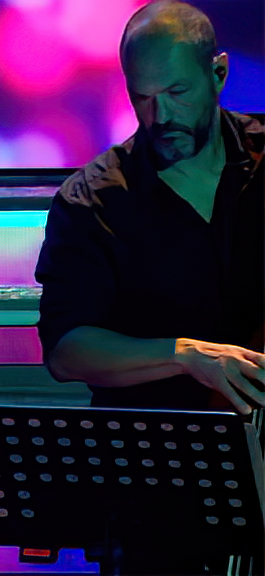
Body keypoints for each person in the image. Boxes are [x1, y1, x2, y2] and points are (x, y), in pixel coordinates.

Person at [36, 1, 264, 416]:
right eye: (143, 97)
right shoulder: (91, 200)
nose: (161, 117)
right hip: (159, 438)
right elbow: (66, 351)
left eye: (177, 93)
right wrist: (184, 356)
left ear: (218, 74)